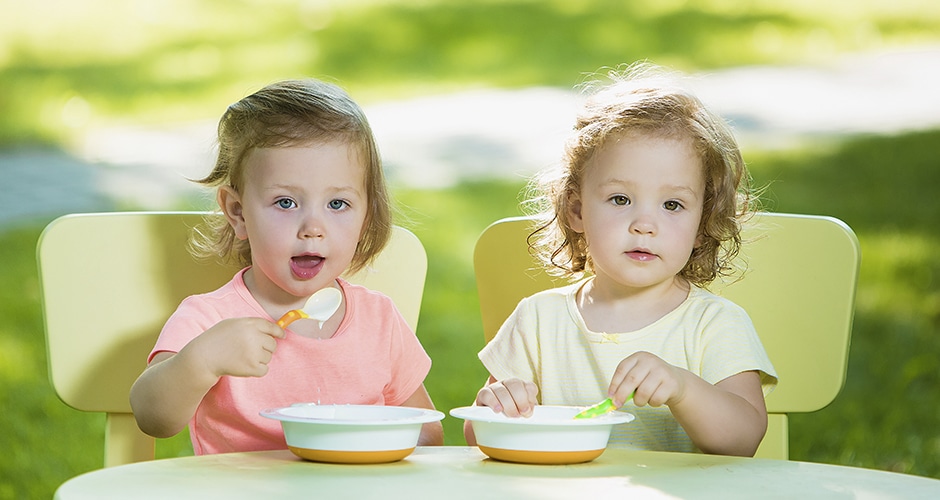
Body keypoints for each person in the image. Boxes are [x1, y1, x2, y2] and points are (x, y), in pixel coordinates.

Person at [466, 63, 777, 457]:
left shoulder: (714, 325)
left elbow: (743, 440)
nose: (645, 224)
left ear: (702, 224)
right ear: (577, 210)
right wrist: (497, 408)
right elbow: (477, 437)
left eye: (672, 204)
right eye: (620, 199)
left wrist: (683, 388)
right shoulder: (537, 322)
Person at [130, 79, 443, 454]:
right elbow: (152, 417)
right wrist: (201, 361)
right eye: (286, 203)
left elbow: (426, 435)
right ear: (238, 212)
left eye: (338, 204)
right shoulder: (210, 319)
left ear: (366, 215)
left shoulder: (379, 319)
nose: (313, 228)